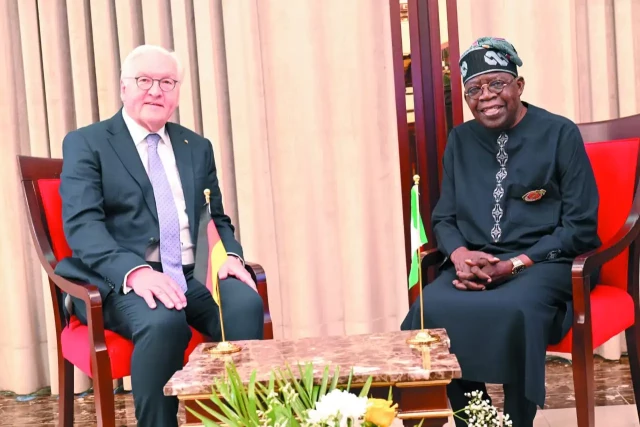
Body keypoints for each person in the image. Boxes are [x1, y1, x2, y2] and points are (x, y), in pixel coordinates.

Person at [55, 45, 264, 427]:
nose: (156, 91)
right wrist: (136, 272)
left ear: (177, 92)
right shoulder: (88, 143)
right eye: (145, 81)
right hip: (118, 278)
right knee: (164, 320)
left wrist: (230, 258)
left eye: (167, 82)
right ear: (123, 87)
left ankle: (236, 419)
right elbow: (83, 227)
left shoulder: (196, 147)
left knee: (244, 304)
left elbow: (215, 217)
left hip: (191, 271)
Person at [401, 37, 601, 427]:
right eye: (474, 89)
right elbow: (445, 217)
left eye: (496, 84)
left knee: (514, 310)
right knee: (430, 313)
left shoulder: (560, 133)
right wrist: (459, 257)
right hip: (476, 263)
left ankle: (516, 421)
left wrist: (514, 265)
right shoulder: (460, 139)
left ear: (519, 85)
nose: (486, 97)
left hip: (546, 262)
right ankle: (478, 420)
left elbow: (580, 226)